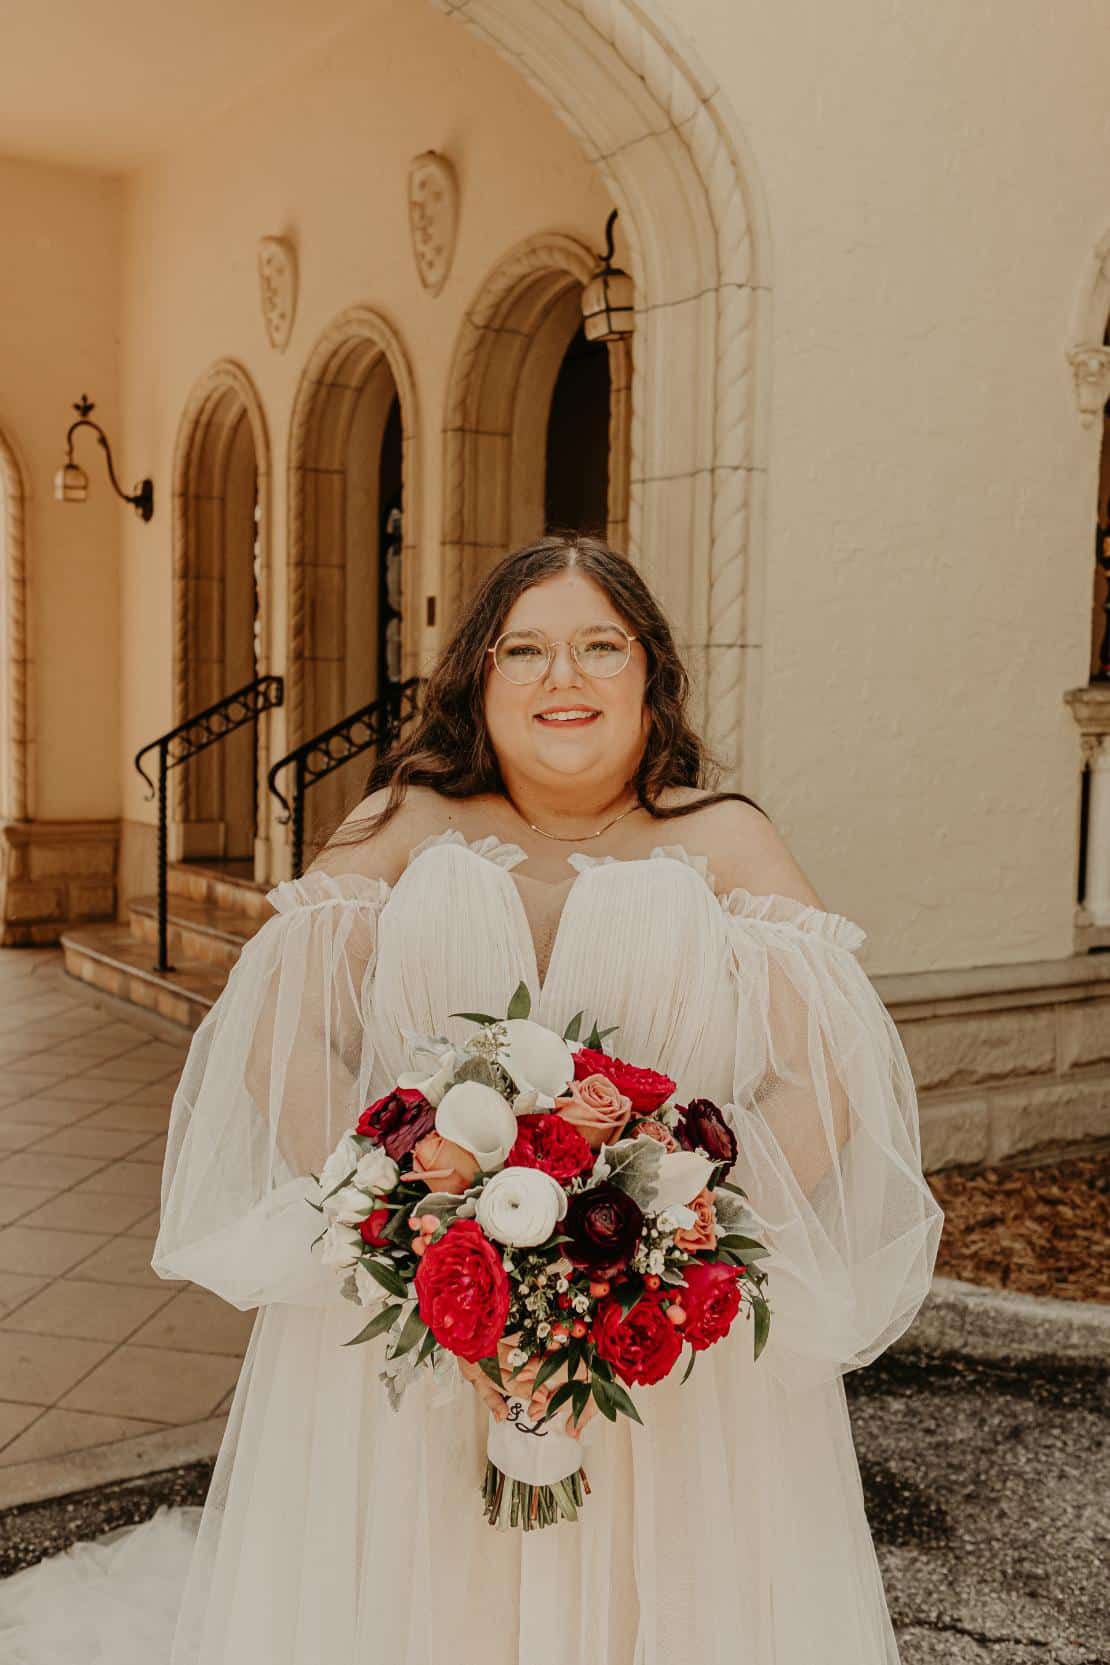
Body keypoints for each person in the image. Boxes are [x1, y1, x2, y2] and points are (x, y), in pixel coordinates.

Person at [0, 535, 943, 1664]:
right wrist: (397, 1228)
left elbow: (826, 1070)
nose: (564, 676)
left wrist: (671, 1246)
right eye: (526, 649)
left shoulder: (727, 836)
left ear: (651, 670)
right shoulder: (401, 820)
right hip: (421, 1330)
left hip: (658, 1350)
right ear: (479, 677)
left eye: (601, 646)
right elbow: (288, 1026)